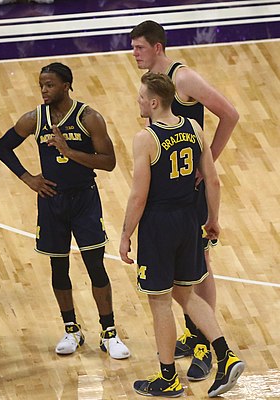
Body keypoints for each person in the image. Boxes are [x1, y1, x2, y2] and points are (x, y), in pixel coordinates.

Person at [119, 72, 245, 397]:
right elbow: (213, 181)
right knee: (187, 294)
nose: (138, 101)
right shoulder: (195, 129)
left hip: (159, 226)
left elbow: (138, 196)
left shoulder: (146, 138)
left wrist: (125, 234)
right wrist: (212, 220)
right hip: (190, 220)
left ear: (154, 102)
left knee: (160, 302)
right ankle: (226, 356)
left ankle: (168, 379)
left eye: (141, 97)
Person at [0, 62, 130, 359]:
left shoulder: (89, 118)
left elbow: (108, 161)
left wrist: (69, 152)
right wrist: (28, 178)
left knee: (95, 265)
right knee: (59, 267)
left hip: (84, 198)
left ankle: (109, 332)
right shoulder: (34, 119)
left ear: (67, 85)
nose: (44, 90)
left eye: (50, 84)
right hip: (52, 201)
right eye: (41, 84)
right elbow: (2, 147)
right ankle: (71, 328)